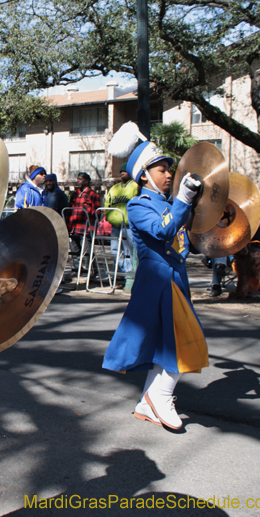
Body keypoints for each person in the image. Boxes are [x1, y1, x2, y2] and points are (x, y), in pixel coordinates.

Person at [102, 122, 207, 431]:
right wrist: (184, 200)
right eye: (162, 169)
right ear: (144, 174)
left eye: (168, 169)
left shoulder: (169, 202)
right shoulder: (138, 204)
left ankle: (148, 402)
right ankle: (159, 397)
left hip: (175, 277)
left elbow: (188, 236)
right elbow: (163, 230)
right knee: (185, 343)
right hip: (157, 280)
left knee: (166, 345)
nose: (169, 174)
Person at [105, 163, 139, 273]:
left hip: (128, 225)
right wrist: (108, 216)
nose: (122, 173)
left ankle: (129, 273)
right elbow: (107, 204)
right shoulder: (114, 188)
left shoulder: (136, 187)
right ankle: (118, 272)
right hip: (115, 224)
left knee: (129, 250)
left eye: (125, 171)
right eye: (121, 171)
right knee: (115, 249)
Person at [67, 171, 100, 262]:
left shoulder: (93, 195)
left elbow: (97, 213)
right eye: (77, 179)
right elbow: (69, 212)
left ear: (87, 181)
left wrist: (91, 229)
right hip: (74, 229)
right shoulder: (74, 195)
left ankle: (92, 271)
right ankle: (77, 270)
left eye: (80, 179)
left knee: (87, 253)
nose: (78, 181)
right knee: (75, 252)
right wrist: (68, 227)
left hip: (86, 229)